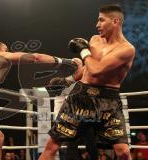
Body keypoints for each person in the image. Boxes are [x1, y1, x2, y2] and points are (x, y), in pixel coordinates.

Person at [39, 4, 135, 160]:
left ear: (115, 21)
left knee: (123, 151)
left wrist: (83, 50)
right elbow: (88, 68)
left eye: (101, 20)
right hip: (80, 97)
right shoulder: (95, 40)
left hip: (108, 101)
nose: (97, 25)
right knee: (52, 145)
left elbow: (97, 69)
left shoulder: (126, 49)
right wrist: (67, 80)